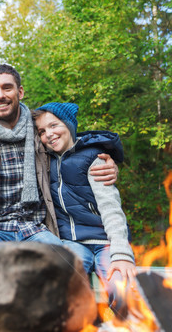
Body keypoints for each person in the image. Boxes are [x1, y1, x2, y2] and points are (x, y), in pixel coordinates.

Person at [0, 64, 120, 274]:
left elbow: (69, 143)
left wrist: (106, 158)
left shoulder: (38, 129)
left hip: (36, 227)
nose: (0, 95)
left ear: (20, 92)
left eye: (7, 88)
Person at [33, 102, 136, 308]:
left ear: (69, 125)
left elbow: (111, 208)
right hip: (71, 242)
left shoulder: (93, 158)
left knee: (121, 289)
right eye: (42, 131)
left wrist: (121, 252)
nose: (49, 134)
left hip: (104, 241)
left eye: (54, 126)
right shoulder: (44, 162)